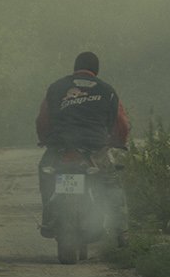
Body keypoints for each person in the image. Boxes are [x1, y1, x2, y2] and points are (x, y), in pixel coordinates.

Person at [35, 51, 131, 235]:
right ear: (96, 70)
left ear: (75, 68)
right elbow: (122, 123)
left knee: (46, 175)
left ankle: (48, 218)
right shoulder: (107, 91)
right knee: (112, 185)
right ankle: (120, 232)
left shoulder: (56, 88)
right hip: (94, 149)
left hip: (60, 148)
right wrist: (119, 142)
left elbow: (42, 120)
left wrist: (45, 139)